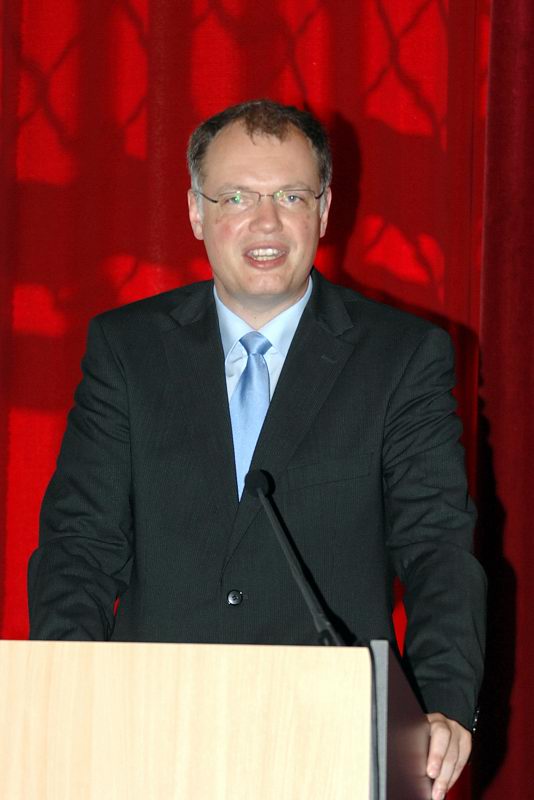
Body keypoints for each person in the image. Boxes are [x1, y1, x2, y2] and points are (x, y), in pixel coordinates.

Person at [28, 99, 486, 799]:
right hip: (149, 730)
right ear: (196, 212)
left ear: (323, 211)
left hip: (329, 734)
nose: (266, 223)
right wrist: (67, 690)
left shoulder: (401, 357)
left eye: (291, 197)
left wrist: (444, 701)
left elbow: (437, 547)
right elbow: (80, 544)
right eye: (237, 197)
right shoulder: (127, 350)